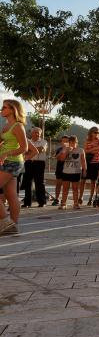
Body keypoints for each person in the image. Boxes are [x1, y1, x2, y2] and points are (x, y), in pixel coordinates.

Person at [0, 99, 28, 235]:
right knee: (11, 195)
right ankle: (12, 226)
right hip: (5, 162)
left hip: (13, 162)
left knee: (11, 195)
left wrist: (6, 153)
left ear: (12, 110)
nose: (1, 109)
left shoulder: (18, 126)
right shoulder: (5, 127)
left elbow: (24, 148)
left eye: (4, 107)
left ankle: (6, 222)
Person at [58, 136, 87, 209]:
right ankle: (64, 203)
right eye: (70, 142)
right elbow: (61, 159)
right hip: (66, 171)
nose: (72, 144)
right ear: (68, 143)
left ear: (76, 143)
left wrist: (84, 170)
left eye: (74, 142)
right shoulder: (65, 149)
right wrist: (66, 151)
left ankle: (76, 203)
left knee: (75, 189)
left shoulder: (81, 150)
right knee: (65, 188)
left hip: (76, 172)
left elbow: (83, 161)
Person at [22, 127, 48, 208]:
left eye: (38, 133)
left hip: (39, 163)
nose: (37, 134)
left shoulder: (44, 141)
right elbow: (24, 150)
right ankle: (27, 202)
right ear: (31, 133)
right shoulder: (27, 141)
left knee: (39, 183)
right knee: (27, 183)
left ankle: (42, 202)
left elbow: (41, 149)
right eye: (35, 132)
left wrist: (30, 150)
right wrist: (30, 150)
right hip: (29, 163)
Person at [80, 127, 99, 205]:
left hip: (95, 163)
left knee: (93, 181)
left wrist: (90, 150)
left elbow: (98, 149)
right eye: (95, 132)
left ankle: (91, 198)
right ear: (91, 133)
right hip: (87, 162)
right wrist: (93, 150)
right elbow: (84, 150)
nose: (96, 134)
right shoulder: (87, 141)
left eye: (97, 132)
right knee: (82, 180)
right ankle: (80, 197)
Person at [52, 135, 69, 206]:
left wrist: (66, 149)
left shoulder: (70, 149)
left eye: (66, 141)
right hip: (59, 168)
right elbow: (56, 157)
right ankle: (57, 198)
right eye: (63, 141)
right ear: (61, 142)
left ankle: (64, 199)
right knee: (58, 184)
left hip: (67, 169)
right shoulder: (59, 149)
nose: (65, 142)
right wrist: (62, 150)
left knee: (66, 185)